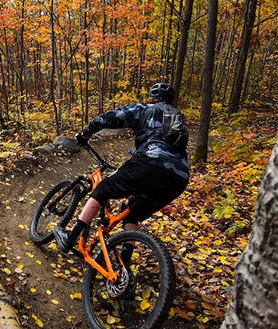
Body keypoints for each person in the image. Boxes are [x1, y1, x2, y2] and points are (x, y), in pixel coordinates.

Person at [53, 82, 189, 256]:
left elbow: (107, 118)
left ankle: (69, 238)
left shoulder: (145, 109)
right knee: (132, 211)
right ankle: (124, 267)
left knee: (102, 189)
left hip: (151, 162)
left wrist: (85, 133)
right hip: (179, 177)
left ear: (152, 98)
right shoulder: (178, 117)